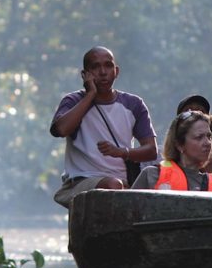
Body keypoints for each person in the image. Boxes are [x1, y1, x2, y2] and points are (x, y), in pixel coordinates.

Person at [50, 46, 157, 209]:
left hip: (122, 184)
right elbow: (60, 130)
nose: (102, 72)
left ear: (116, 71)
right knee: (113, 185)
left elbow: (151, 150)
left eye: (108, 66)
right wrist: (91, 94)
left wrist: (122, 152)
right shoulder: (73, 101)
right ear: (84, 75)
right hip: (82, 182)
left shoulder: (134, 104)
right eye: (95, 67)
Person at [131, 111, 212, 192]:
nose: (207, 142)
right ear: (179, 145)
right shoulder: (151, 176)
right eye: (199, 137)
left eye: (209, 136)